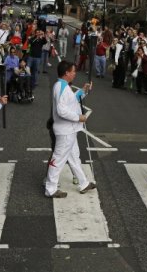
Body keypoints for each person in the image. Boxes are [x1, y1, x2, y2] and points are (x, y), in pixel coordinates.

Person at [44, 61, 95, 198]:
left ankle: (83, 183)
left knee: (74, 158)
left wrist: (83, 91)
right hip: (65, 130)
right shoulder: (61, 86)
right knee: (58, 159)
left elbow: (71, 100)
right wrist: (79, 117)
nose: (74, 74)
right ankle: (50, 188)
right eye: (73, 71)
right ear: (66, 72)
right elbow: (61, 110)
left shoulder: (62, 86)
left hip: (69, 130)